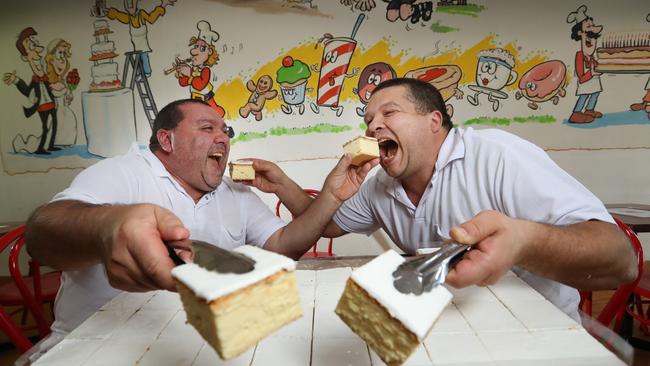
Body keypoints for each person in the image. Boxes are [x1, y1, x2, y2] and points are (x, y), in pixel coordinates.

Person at [265, 77, 637, 322]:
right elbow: (324, 223)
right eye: (368, 119)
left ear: (434, 121)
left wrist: (523, 241)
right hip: (446, 323)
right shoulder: (380, 185)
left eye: (389, 112)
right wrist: (289, 184)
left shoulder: (498, 155)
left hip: (536, 328)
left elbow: (620, 260)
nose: (372, 125)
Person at [25, 98, 377, 340]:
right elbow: (42, 234)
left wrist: (331, 194)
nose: (223, 137)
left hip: (191, 342)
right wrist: (110, 225)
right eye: (208, 128)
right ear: (167, 139)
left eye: (225, 131)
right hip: (97, 342)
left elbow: (283, 248)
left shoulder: (235, 192)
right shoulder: (123, 172)